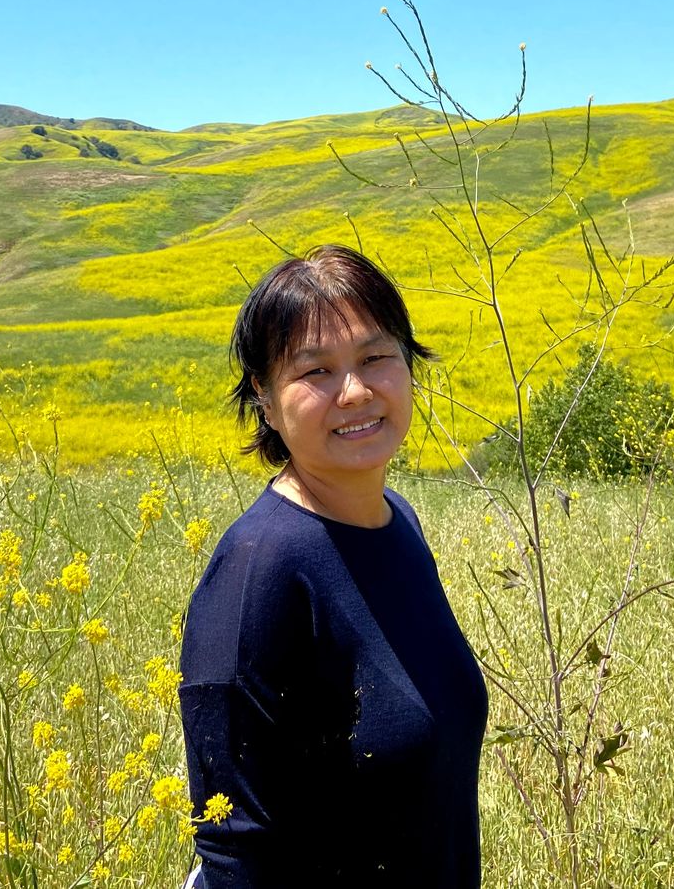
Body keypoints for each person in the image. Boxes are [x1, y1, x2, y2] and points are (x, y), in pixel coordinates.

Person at [178, 244, 488, 888]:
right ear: (265, 398)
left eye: (375, 358)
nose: (355, 392)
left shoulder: (397, 523)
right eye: (315, 371)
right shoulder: (257, 573)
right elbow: (235, 853)